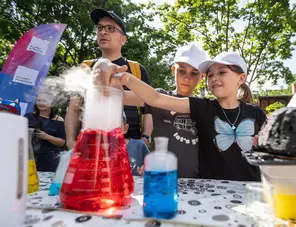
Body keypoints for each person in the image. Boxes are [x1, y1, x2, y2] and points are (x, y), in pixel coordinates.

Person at [93, 51, 267, 181]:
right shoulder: (203, 107)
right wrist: (106, 69)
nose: (214, 78)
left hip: (225, 184)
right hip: (182, 183)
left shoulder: (252, 113)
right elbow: (153, 97)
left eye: (221, 72)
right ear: (173, 70)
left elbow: (273, 152)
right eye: (211, 74)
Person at [65, 8, 153, 149]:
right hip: (91, 145)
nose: (103, 32)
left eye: (110, 28)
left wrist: (146, 137)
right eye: (100, 28)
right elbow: (73, 109)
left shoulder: (137, 69)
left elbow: (148, 110)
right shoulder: (85, 67)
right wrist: (70, 141)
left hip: (130, 146)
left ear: (123, 39)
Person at [137, 43, 209, 178]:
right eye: (182, 70)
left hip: (197, 182)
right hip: (162, 179)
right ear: (173, 70)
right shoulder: (158, 97)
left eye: (194, 73)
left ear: (202, 76)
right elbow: (129, 97)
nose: (187, 78)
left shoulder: (205, 107)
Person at [25, 91, 66, 172]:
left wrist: (47, 137)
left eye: (44, 101)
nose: (40, 103)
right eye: (39, 100)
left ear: (52, 103)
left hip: (49, 161)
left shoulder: (58, 120)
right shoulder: (28, 116)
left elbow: (61, 142)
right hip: (29, 158)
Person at [121, 111, 150, 176]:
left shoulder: (139, 145)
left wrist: (146, 170)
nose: (112, 131)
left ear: (125, 128)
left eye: (117, 127)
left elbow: (154, 167)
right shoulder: (99, 151)